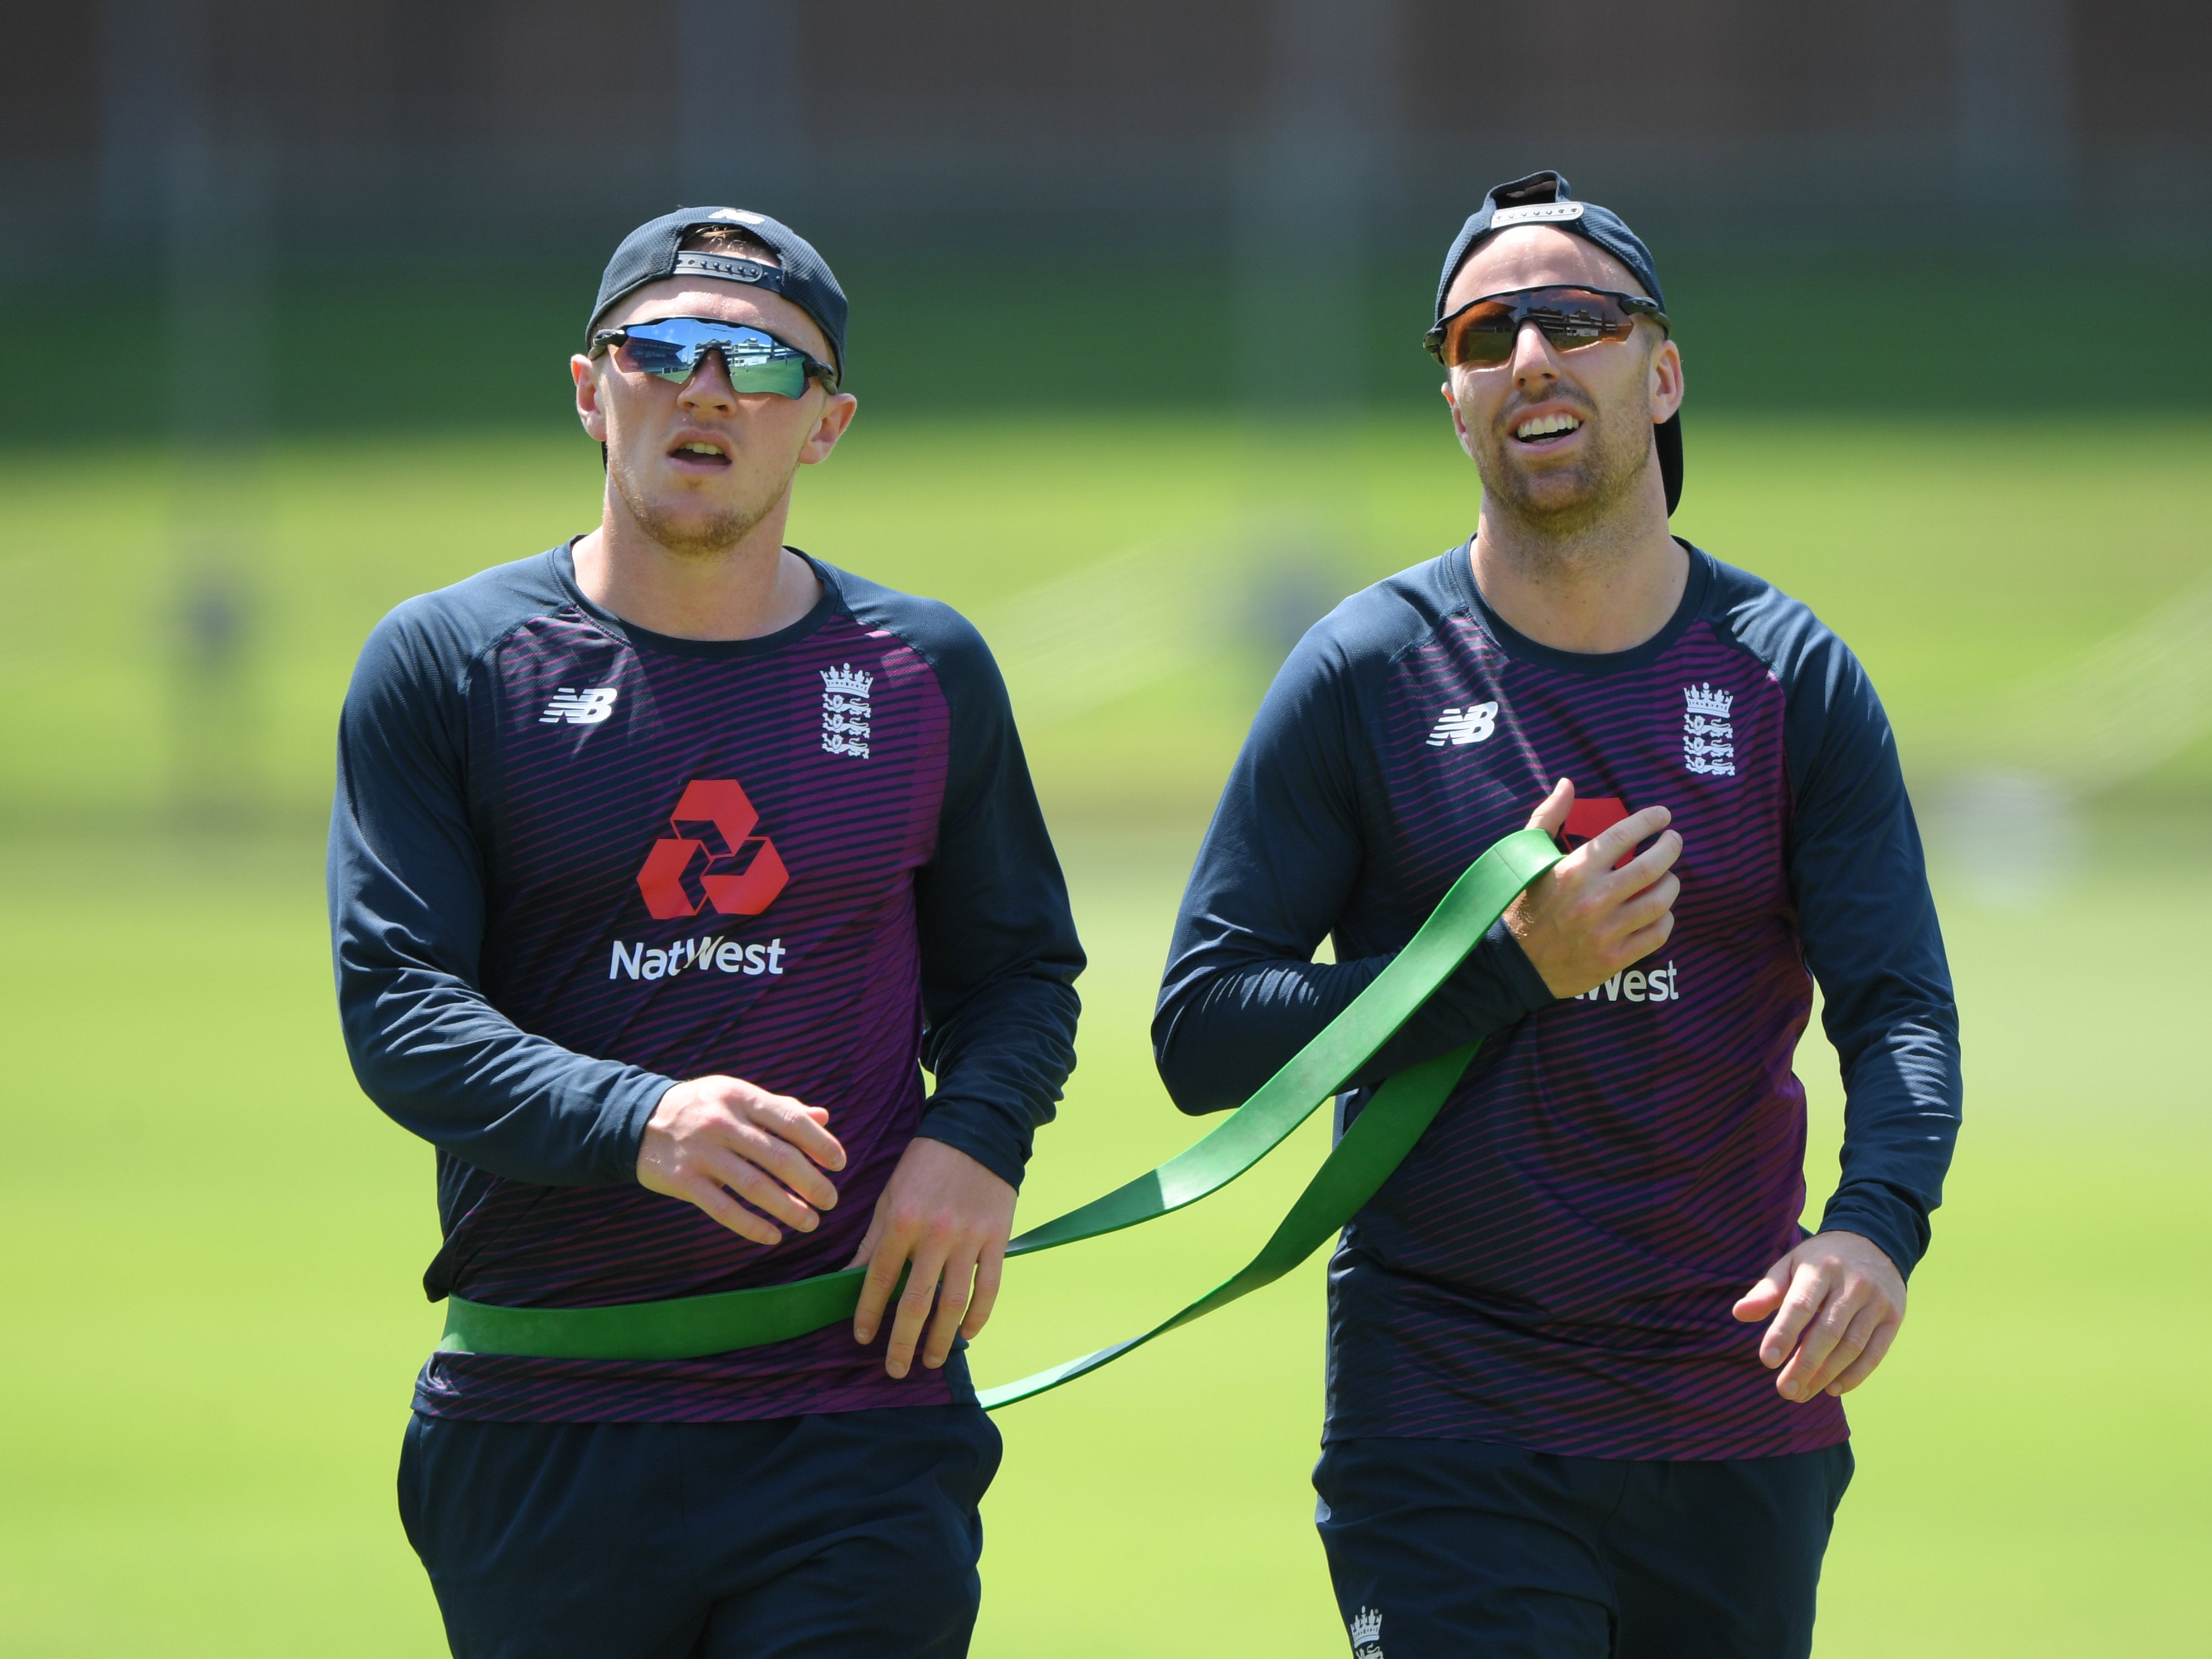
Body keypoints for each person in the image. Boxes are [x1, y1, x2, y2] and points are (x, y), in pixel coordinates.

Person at [1154, 170, 1960, 1658]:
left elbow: (1897, 1001)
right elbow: (1204, 1033)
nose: (1527, 354)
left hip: (1736, 1410)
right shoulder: (1363, 674)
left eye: (1574, 320)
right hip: (1447, 1415)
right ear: (1455, 403)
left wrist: (1874, 1226)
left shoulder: (1787, 674)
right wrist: (1502, 968)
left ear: (1659, 375)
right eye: (1481, 334)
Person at [328, 206, 1083, 1659]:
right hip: (547, 1412)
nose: (709, 386)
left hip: (854, 1412)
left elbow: (1017, 974)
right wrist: (642, 1118)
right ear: (587, 387)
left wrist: (976, 1138)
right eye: (661, 349)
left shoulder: (924, 672)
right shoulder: (447, 664)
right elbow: (400, 1008)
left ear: (826, 425)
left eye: (762, 361)